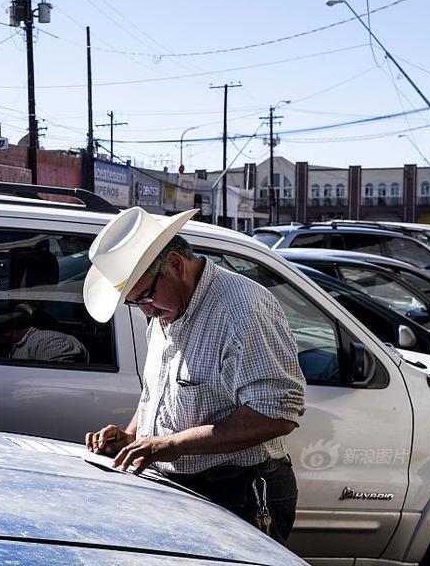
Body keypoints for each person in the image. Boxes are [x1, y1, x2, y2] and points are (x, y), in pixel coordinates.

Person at [82, 207, 306, 543]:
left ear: (174, 264)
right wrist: (133, 436)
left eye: (145, 297)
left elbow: (276, 415)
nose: (146, 310)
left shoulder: (242, 309)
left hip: (239, 492)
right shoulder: (165, 310)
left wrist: (172, 444)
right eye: (134, 302)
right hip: (185, 488)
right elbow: (159, 393)